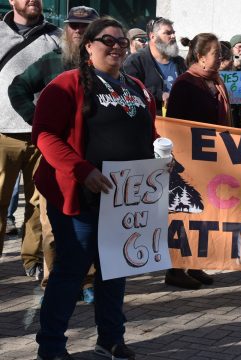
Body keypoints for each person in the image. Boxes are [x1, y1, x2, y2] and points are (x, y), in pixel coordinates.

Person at [32, 17, 156, 360]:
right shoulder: (69, 83)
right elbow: (44, 135)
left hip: (124, 199)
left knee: (115, 270)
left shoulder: (136, 87)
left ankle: (110, 339)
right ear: (88, 45)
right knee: (71, 271)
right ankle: (52, 346)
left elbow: (148, 132)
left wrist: (161, 155)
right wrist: (82, 170)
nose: (117, 47)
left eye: (121, 42)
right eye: (108, 41)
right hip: (80, 196)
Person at [8, 5, 100, 302]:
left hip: (95, 159)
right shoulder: (52, 62)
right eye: (74, 25)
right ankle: (52, 280)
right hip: (56, 157)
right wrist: (37, 121)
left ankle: (86, 282)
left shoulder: (110, 68)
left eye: (85, 27)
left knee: (92, 227)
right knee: (52, 224)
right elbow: (18, 87)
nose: (78, 31)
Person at [0, 0, 61, 279]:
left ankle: (32, 260)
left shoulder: (57, 36)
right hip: (2, 133)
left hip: (43, 135)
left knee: (39, 205)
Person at [164, 33, 230, 290]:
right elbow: (176, 125)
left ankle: (194, 264)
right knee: (185, 214)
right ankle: (175, 269)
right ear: (201, 57)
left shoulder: (217, 82)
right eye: (216, 53)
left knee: (204, 215)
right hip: (189, 161)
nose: (221, 58)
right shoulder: (185, 84)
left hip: (212, 160)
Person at [123, 17, 186, 115]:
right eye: (168, 33)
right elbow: (131, 89)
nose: (173, 36)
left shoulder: (180, 62)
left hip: (179, 119)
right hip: (150, 120)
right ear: (152, 36)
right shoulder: (135, 61)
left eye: (173, 32)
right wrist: (160, 95)